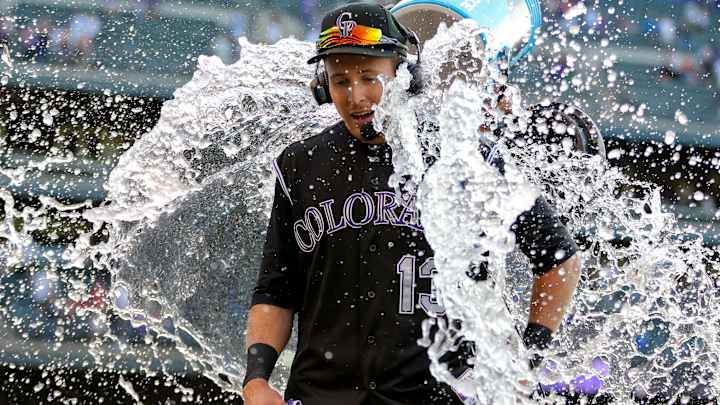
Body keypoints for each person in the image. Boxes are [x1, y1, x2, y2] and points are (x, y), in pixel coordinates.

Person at [242, 2, 582, 404]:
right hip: (321, 395)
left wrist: (528, 359)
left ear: (403, 74)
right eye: (340, 81)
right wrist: (257, 379)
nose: (356, 96)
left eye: (370, 77)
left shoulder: (468, 156)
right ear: (323, 86)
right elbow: (276, 291)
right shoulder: (299, 163)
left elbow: (559, 259)